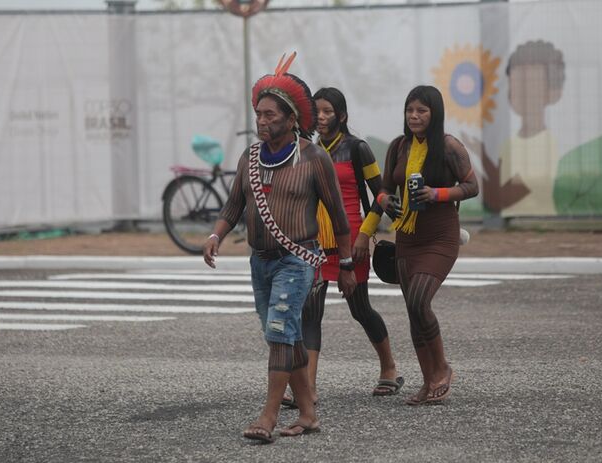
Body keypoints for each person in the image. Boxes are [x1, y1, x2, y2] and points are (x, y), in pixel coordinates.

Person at [202, 53, 356, 443]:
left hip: (297, 260)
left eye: (271, 115)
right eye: (259, 114)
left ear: (291, 120)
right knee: (285, 336)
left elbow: (339, 218)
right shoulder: (249, 158)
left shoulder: (313, 157)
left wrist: (349, 264)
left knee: (279, 332)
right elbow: (234, 205)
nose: (262, 121)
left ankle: (268, 417)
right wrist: (216, 235)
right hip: (260, 262)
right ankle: (308, 413)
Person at [297, 87, 402, 403]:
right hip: (316, 241)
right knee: (310, 313)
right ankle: (308, 388)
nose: (322, 117)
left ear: (341, 115)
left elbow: (380, 195)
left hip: (351, 240)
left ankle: (390, 368)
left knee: (360, 309)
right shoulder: (309, 150)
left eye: (328, 111)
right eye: (317, 112)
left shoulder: (358, 149)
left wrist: (363, 236)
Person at [376, 85, 479, 405]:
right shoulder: (398, 147)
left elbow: (472, 186)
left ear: (435, 114)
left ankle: (442, 368)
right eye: (410, 110)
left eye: (421, 110)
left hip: (439, 236)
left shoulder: (449, 147)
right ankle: (427, 381)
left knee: (420, 301)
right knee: (413, 311)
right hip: (408, 236)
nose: (414, 116)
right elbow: (381, 190)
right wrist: (386, 202)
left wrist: (438, 194)